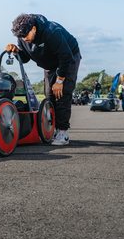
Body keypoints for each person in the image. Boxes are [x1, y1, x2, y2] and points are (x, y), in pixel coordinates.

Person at [6, 13, 80, 146]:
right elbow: (26, 58)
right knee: (49, 95)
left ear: (34, 28)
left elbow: (66, 56)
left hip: (68, 57)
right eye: (20, 37)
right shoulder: (22, 37)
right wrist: (17, 51)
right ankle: (50, 129)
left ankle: (63, 132)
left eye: (25, 35)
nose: (23, 39)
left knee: (61, 94)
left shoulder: (52, 32)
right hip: (49, 63)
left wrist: (59, 81)